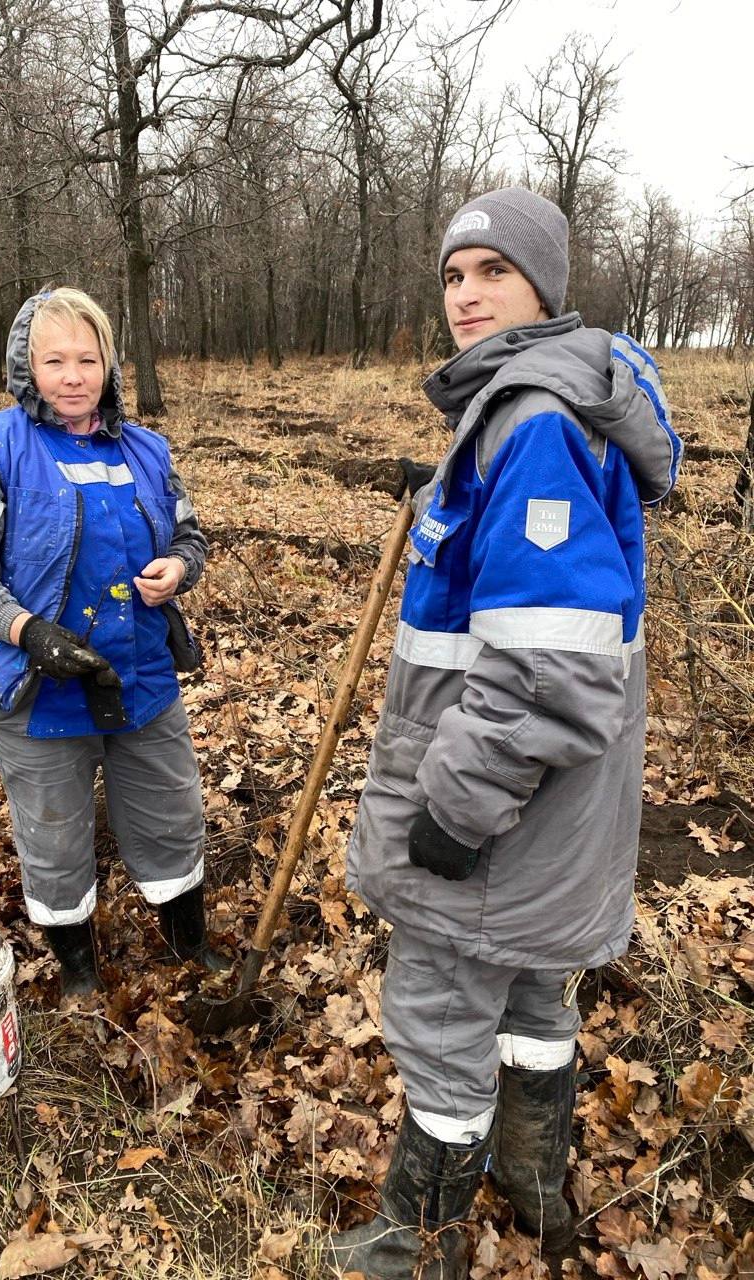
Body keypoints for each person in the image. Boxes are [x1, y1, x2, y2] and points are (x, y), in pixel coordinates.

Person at [327, 188, 682, 1278]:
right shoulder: (553, 408)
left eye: (494, 271)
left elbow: (549, 668)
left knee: (439, 1017)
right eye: (452, 275)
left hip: (495, 825)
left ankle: (414, 1241)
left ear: (545, 287)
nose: (467, 296)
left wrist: (449, 808)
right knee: (535, 996)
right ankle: (535, 1191)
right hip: (557, 822)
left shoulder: (531, 423)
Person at [0, 287, 227, 1002]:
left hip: (141, 677)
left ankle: (188, 946)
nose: (72, 375)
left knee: (172, 816)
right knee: (56, 838)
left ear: (108, 365)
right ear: (26, 365)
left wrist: (178, 568)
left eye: (87, 359)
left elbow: (191, 537)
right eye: (54, 359)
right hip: (38, 690)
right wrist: (28, 630)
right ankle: (80, 973)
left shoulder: (148, 450)